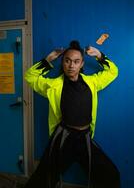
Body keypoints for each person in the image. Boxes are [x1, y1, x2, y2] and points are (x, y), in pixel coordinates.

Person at [24, 40, 120, 188]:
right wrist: (48, 59)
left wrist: (99, 56)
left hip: (85, 139)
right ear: (62, 63)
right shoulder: (53, 85)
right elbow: (30, 76)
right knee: (43, 179)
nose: (71, 65)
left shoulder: (92, 82)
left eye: (76, 61)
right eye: (67, 61)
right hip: (63, 138)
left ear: (81, 64)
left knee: (111, 174)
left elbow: (113, 71)